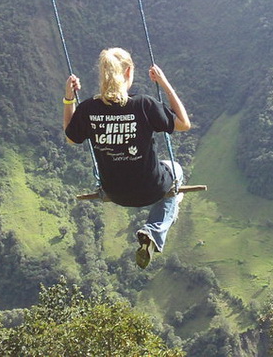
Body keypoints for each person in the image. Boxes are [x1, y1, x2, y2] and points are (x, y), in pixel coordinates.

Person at [63, 47, 191, 268]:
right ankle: (153, 231)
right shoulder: (145, 104)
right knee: (176, 171)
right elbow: (183, 123)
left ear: (102, 75)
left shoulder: (87, 109)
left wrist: (68, 99)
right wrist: (164, 84)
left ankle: (152, 234)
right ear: (129, 72)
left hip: (115, 191)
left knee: (167, 178)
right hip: (152, 188)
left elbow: (71, 138)